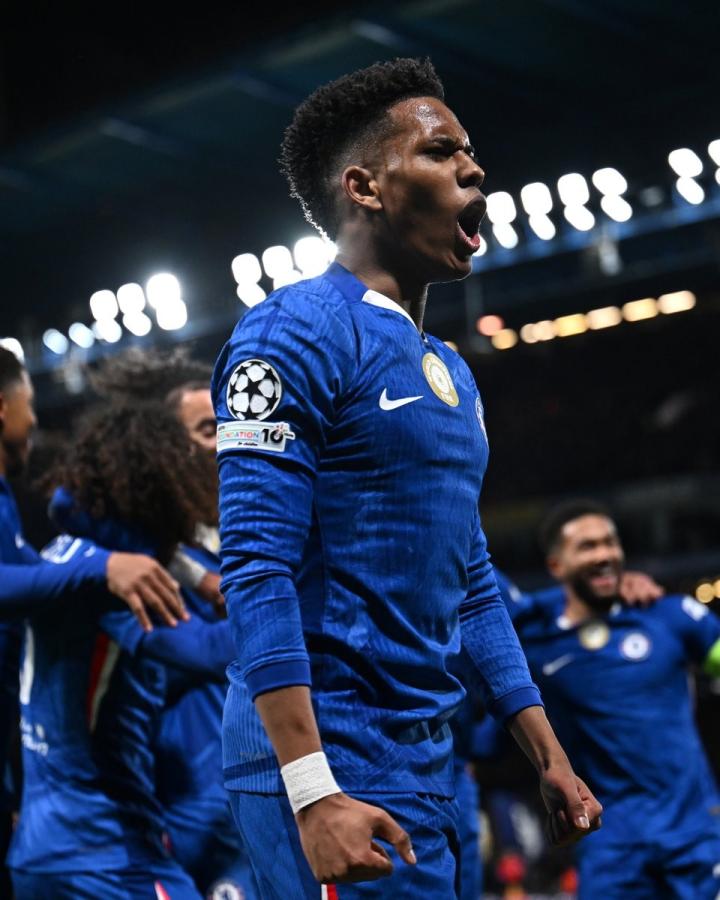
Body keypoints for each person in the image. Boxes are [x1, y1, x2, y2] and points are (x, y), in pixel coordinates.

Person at [213, 56, 601, 898]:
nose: (474, 167)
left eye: (470, 151)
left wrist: (548, 753)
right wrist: (313, 793)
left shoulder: (453, 373)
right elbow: (254, 565)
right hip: (331, 765)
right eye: (440, 151)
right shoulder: (290, 333)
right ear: (365, 187)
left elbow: (472, 585)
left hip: (429, 763)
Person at [7, 400, 235, 898]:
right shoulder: (120, 585)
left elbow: (66, 503)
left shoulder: (68, 555)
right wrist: (289, 594)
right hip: (106, 855)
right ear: (162, 489)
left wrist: (189, 570)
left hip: (42, 850)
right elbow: (212, 652)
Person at [0, 347, 186, 892]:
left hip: (39, 825)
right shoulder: (93, 571)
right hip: (96, 847)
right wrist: (102, 566)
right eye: (29, 403)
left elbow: (55, 532)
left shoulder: (32, 524)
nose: (36, 418)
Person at [508, 499, 720, 899]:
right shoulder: (535, 642)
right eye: (587, 547)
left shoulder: (668, 615)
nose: (604, 554)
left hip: (694, 834)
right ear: (556, 566)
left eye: (610, 542)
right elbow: (491, 599)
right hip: (610, 844)